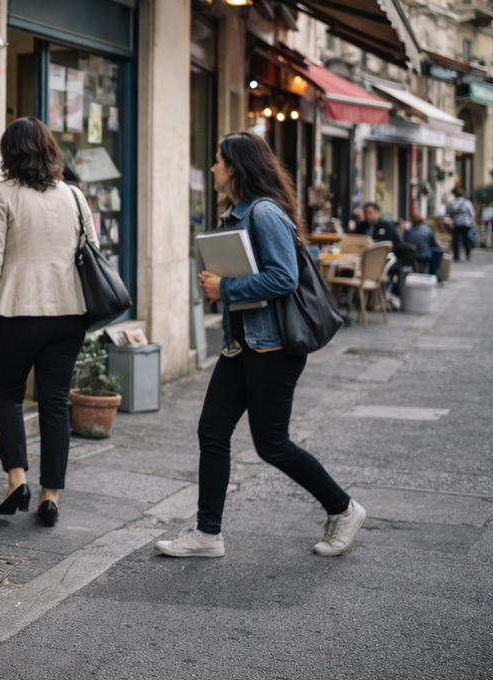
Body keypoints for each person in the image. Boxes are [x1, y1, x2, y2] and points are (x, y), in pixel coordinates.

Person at [154, 131, 365, 559]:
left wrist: (225, 286)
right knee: (212, 431)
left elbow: (284, 277)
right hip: (243, 344)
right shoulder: (238, 213)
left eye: (217, 161)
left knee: (272, 444)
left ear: (235, 167)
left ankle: (343, 508)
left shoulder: (264, 213)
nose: (212, 167)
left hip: (273, 348)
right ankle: (208, 534)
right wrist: (223, 289)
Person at [0, 117, 97, 528]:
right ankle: (50, 495)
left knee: (7, 397)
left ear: (10, 154)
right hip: (68, 314)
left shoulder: (2, 193)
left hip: (18, 311)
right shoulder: (75, 196)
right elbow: (90, 251)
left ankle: (16, 481)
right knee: (56, 403)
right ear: (49, 151)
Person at [404, 212, 445, 277]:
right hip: (424, 253)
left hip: (411, 254)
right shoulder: (427, 229)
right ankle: (433, 274)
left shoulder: (408, 231)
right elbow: (434, 243)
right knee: (439, 251)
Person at [445, 187, 475, 262]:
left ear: (455, 195)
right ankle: (468, 253)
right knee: (466, 239)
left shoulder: (452, 203)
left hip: (457, 223)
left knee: (456, 240)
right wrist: (472, 221)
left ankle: (456, 256)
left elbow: (448, 213)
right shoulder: (468, 202)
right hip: (466, 223)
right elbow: (472, 213)